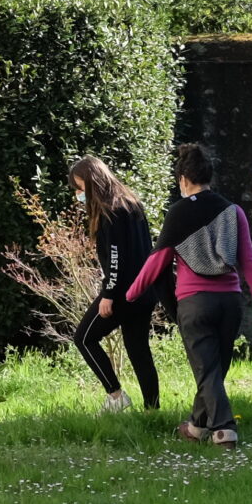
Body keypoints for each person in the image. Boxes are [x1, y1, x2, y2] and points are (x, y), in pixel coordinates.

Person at [125, 142, 252, 446]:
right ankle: (196, 427)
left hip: (195, 304)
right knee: (215, 370)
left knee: (207, 371)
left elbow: (158, 262)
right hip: (230, 303)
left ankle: (224, 430)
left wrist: (131, 293)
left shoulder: (178, 213)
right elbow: (250, 262)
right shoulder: (233, 212)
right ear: (209, 176)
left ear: (183, 179)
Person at [68, 156, 160, 414]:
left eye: (80, 187)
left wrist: (108, 293)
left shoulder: (111, 210)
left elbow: (116, 256)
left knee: (84, 338)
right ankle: (152, 410)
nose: (79, 194)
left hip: (122, 292)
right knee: (139, 350)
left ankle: (115, 395)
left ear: (92, 182)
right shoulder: (132, 202)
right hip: (143, 290)